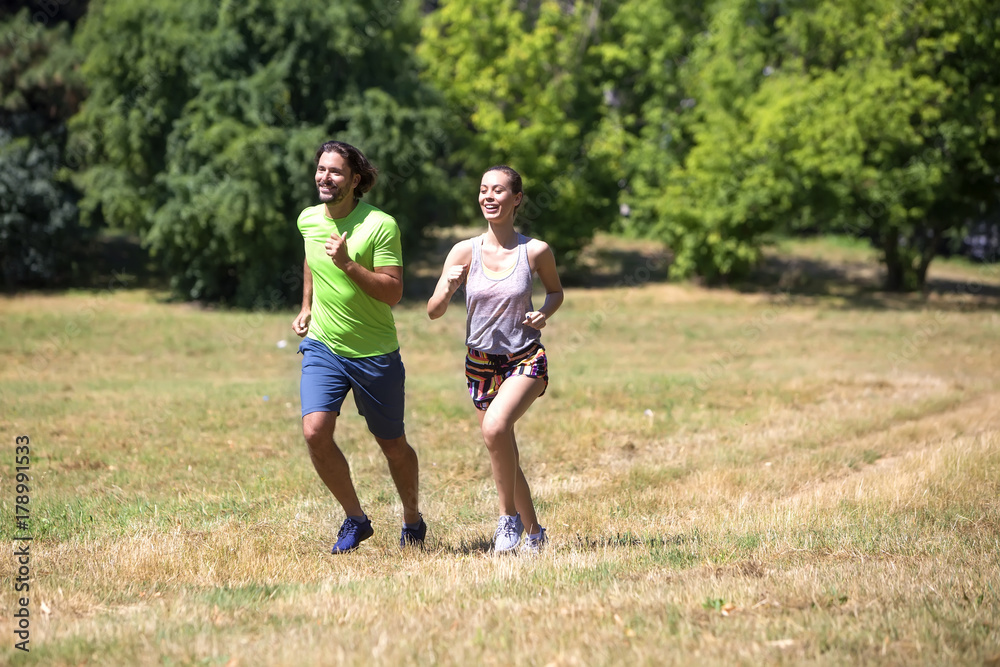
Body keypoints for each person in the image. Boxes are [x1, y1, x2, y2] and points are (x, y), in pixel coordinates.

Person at [292, 140, 425, 554]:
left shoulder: (380, 225)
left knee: (393, 445)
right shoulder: (308, 220)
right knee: (315, 431)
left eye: (334, 171)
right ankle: (356, 518)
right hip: (324, 347)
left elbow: (393, 292)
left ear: (355, 180)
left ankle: (412, 518)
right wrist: (307, 305)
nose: (324, 177)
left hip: (374, 352)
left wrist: (348, 264)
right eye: (321, 169)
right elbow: (312, 260)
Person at [427, 165, 564, 553]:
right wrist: (449, 287)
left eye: (499, 190)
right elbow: (433, 310)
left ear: (516, 198)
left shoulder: (534, 251)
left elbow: (555, 292)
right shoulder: (463, 251)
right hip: (480, 362)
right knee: (502, 446)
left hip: (525, 357)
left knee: (494, 429)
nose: (489, 196)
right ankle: (535, 533)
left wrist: (544, 313)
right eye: (484, 190)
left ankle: (508, 521)